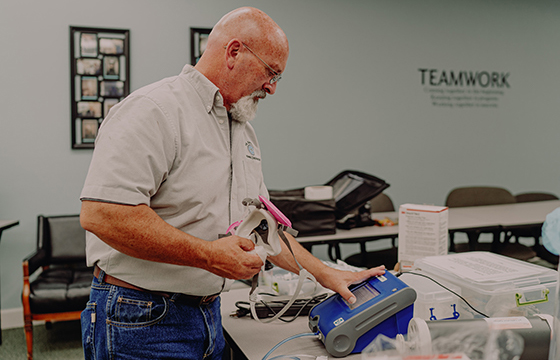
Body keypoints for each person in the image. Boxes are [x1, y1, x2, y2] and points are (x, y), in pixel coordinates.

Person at [79, 6, 385, 360]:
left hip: (209, 315)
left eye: (278, 78)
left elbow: (263, 230)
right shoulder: (155, 110)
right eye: (270, 72)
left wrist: (325, 273)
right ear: (234, 51)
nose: (272, 88)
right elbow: (102, 214)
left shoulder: (241, 129)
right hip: (140, 316)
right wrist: (209, 255)